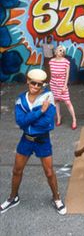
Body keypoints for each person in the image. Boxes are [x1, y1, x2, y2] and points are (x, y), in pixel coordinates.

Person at [0, 69, 66, 215]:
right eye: (33, 83)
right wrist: (39, 112)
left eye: (39, 84)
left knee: (49, 173)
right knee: (16, 170)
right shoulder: (20, 99)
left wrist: (29, 121)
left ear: (43, 85)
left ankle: (56, 198)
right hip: (26, 140)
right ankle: (13, 198)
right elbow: (20, 122)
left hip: (42, 141)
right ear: (27, 81)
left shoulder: (48, 97)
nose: (35, 86)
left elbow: (47, 124)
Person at [49, 45, 77, 130]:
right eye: (60, 50)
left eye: (63, 51)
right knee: (56, 101)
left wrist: (64, 86)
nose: (61, 52)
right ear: (56, 51)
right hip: (53, 84)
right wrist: (52, 83)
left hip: (62, 84)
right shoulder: (51, 61)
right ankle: (58, 117)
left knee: (67, 102)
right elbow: (51, 74)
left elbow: (67, 75)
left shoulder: (66, 62)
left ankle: (74, 120)